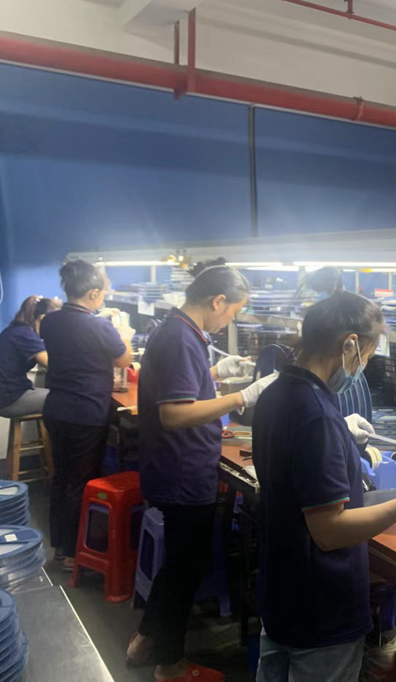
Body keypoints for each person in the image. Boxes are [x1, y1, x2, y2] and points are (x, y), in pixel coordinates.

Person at [252, 291, 396, 681]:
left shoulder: (276, 393)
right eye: (366, 354)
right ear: (350, 344)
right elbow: (330, 531)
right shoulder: (317, 415)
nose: (363, 365)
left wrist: (340, 439)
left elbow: (289, 474)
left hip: (280, 592)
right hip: (320, 608)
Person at [126, 266, 277, 682]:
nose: (229, 321)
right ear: (217, 301)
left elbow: (181, 386)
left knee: (180, 564)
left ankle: (146, 640)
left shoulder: (178, 330)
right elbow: (174, 413)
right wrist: (242, 395)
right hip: (182, 471)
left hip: (176, 466)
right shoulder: (180, 337)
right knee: (186, 568)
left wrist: (216, 375)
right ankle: (170, 665)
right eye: (232, 313)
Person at [40, 260, 133, 570]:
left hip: (56, 409)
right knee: (80, 482)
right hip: (85, 413)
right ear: (93, 293)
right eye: (103, 293)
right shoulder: (99, 326)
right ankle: (72, 553)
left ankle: (59, 544)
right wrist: (122, 332)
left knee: (62, 477)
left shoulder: (50, 321)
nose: (103, 298)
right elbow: (124, 359)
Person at [0, 295, 61, 418]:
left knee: (63, 396)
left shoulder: (19, 330)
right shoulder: (25, 334)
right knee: (69, 400)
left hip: (6, 395)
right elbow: (52, 364)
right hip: (9, 399)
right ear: (43, 318)